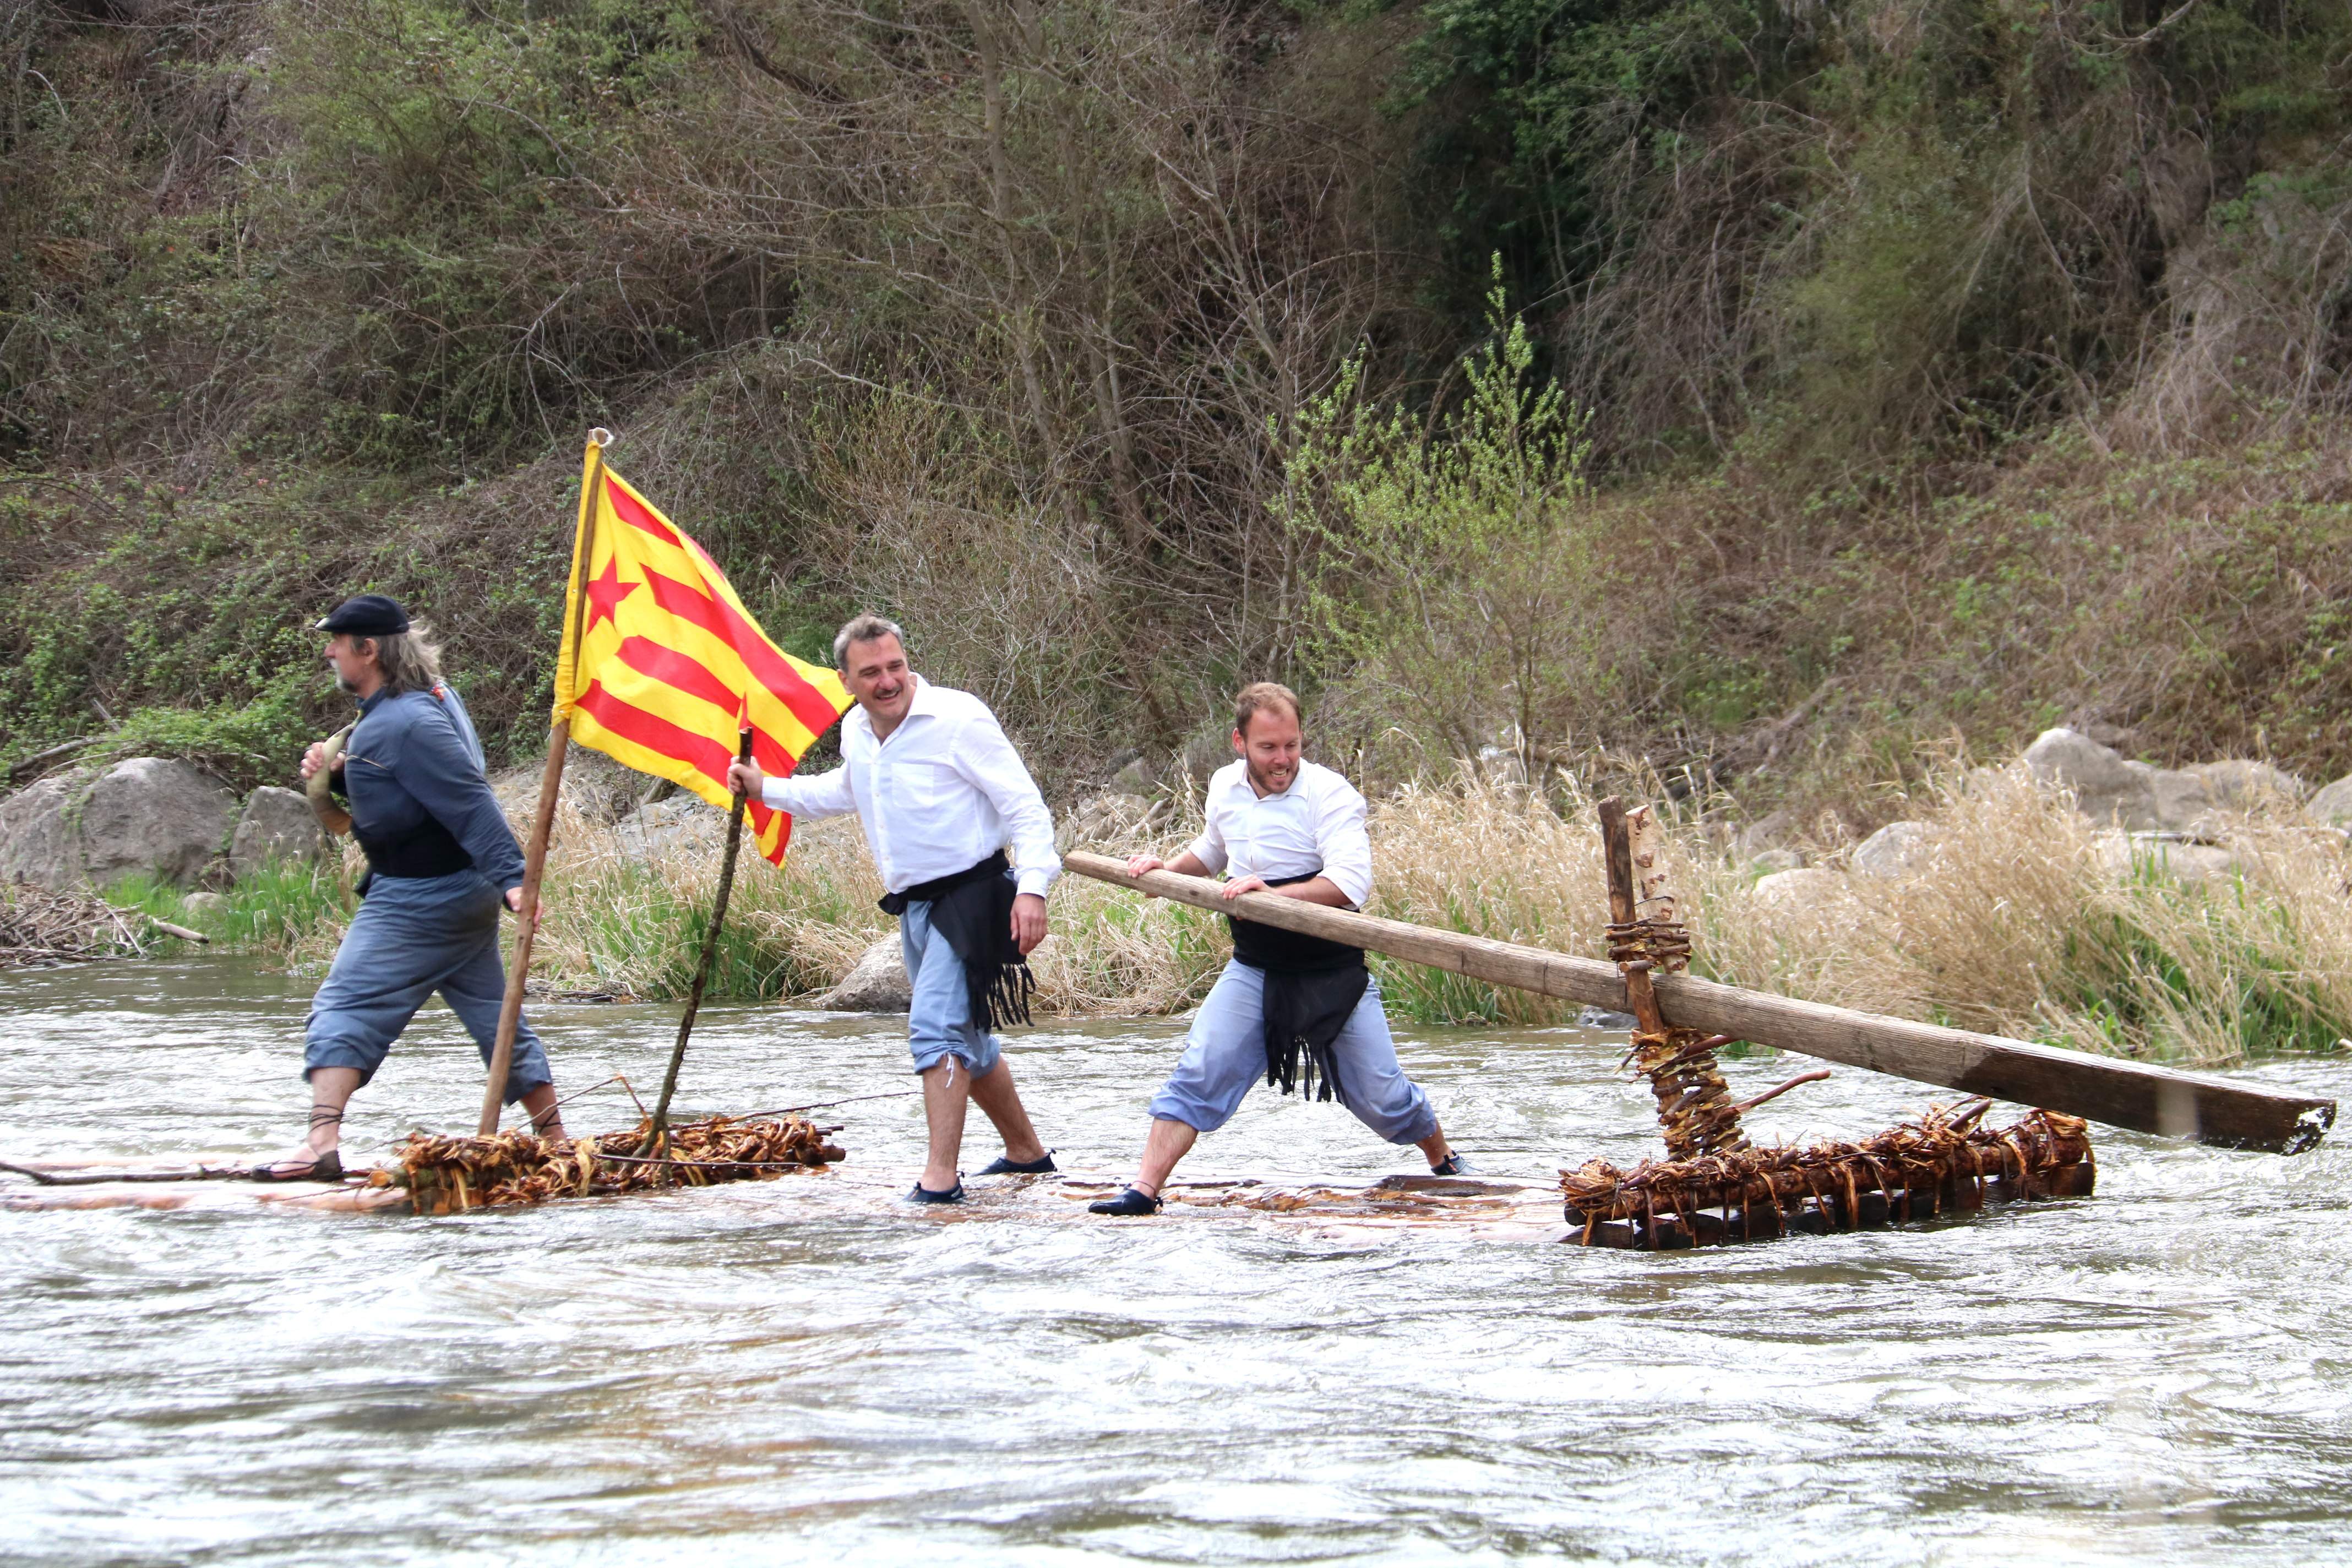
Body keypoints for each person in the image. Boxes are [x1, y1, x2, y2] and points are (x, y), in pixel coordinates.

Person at [1090, 682, 1465, 1217]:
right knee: (1201, 1069)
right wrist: (1164, 873)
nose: (1283, 759)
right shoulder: (1224, 786)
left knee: (1383, 1099)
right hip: (1255, 967)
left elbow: (1349, 883)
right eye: (1269, 748)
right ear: (1240, 742)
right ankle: (1143, 1191)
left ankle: (1443, 1158)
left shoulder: (1330, 794)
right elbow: (1214, 849)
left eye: (1292, 745)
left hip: (1331, 970)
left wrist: (1272, 893)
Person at [727, 614, 1058, 1204]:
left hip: (976, 897)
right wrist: (765, 789)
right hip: (916, 909)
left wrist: (1032, 889)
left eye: (895, 666)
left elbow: (1026, 809)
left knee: (935, 1030)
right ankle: (1027, 1154)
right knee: (972, 1043)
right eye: (871, 672)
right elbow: (841, 791)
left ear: (908, 662)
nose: (888, 681)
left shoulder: (959, 718)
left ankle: (939, 1180)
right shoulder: (856, 730)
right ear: (847, 680)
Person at [257, 595, 565, 1179]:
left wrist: (515, 881)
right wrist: (345, 775)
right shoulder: (431, 702)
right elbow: (414, 792)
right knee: (495, 1019)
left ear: (368, 650)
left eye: (337, 644)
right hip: (459, 896)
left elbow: (469, 800)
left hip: (421, 898)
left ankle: (320, 1142)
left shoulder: (406, 722)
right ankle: (557, 1137)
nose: (328, 652)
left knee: (344, 1004)